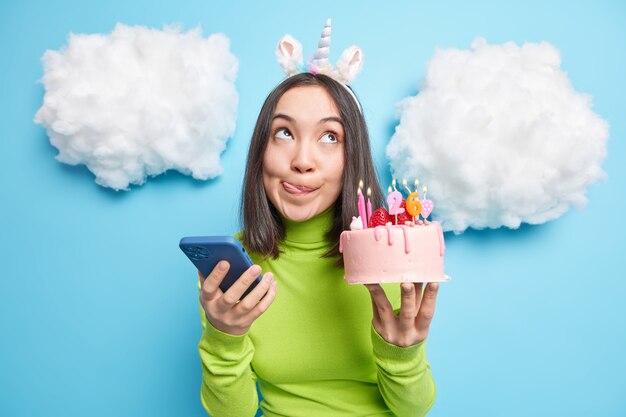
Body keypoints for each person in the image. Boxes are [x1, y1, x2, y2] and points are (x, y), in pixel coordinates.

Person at [196, 22, 440, 416]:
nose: (302, 162)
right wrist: (224, 337)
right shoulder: (234, 268)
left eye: (330, 137)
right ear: (260, 150)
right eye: (283, 134)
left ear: (352, 158)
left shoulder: (388, 255)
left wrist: (403, 355)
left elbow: (413, 410)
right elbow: (232, 413)